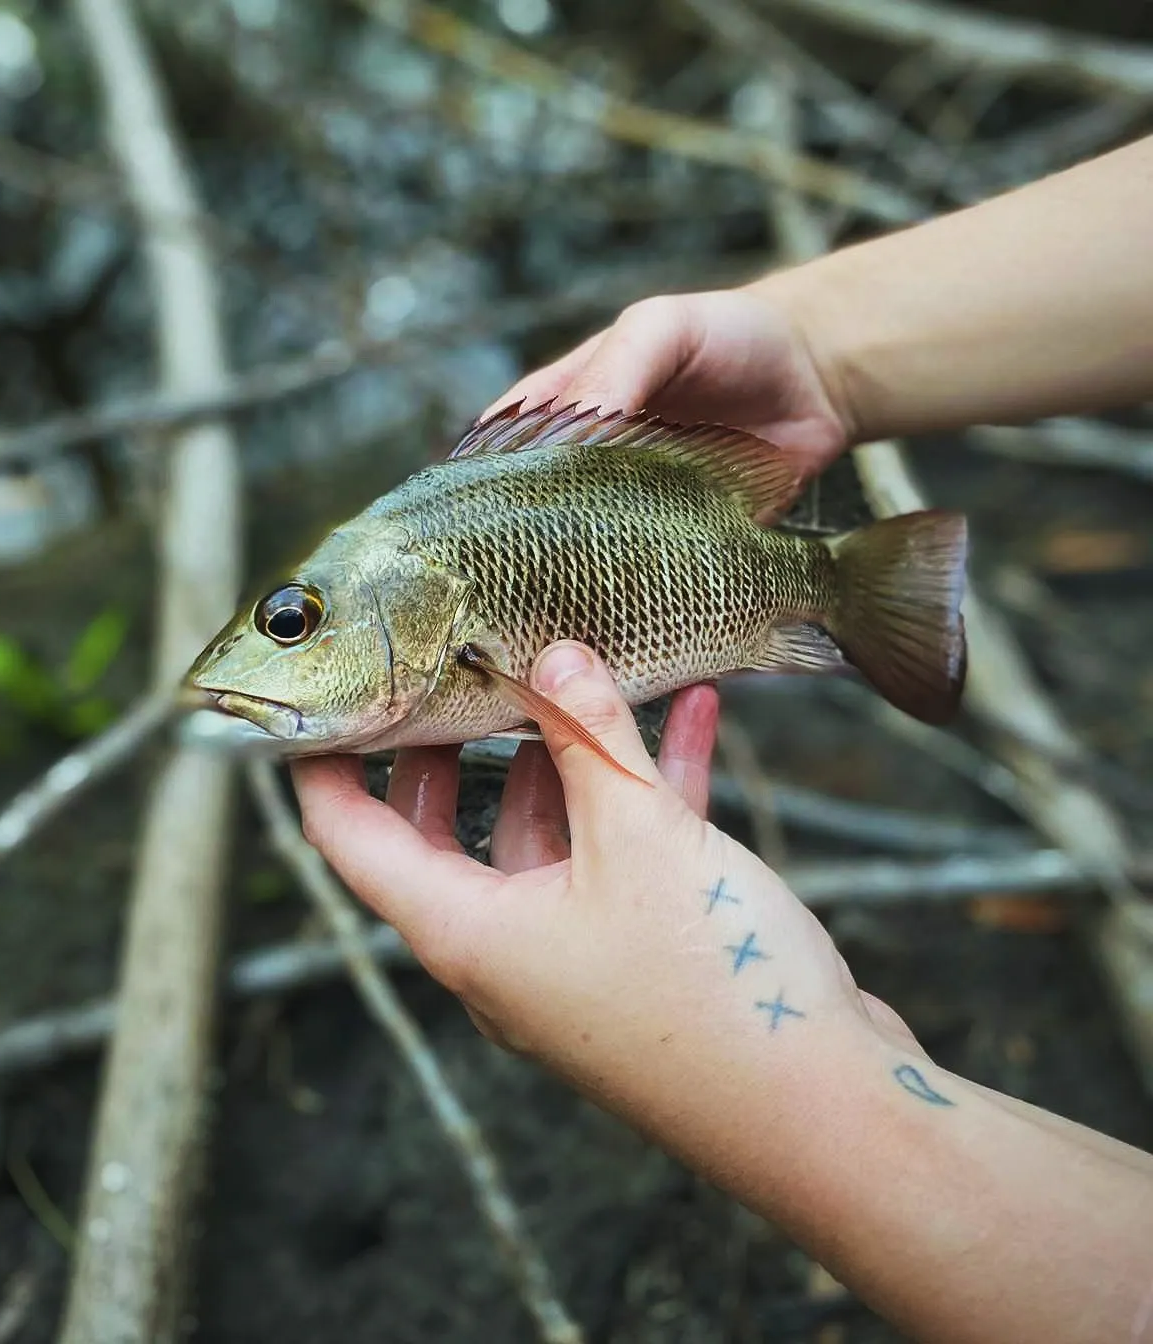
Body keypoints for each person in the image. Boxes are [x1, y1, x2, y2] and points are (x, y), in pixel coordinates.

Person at [291, 135, 1153, 1342]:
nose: (284, 647)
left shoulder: (414, 560)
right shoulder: (412, 564)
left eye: (297, 621)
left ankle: (845, 586)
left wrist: (794, 1101)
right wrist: (814, 350)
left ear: (397, 604)